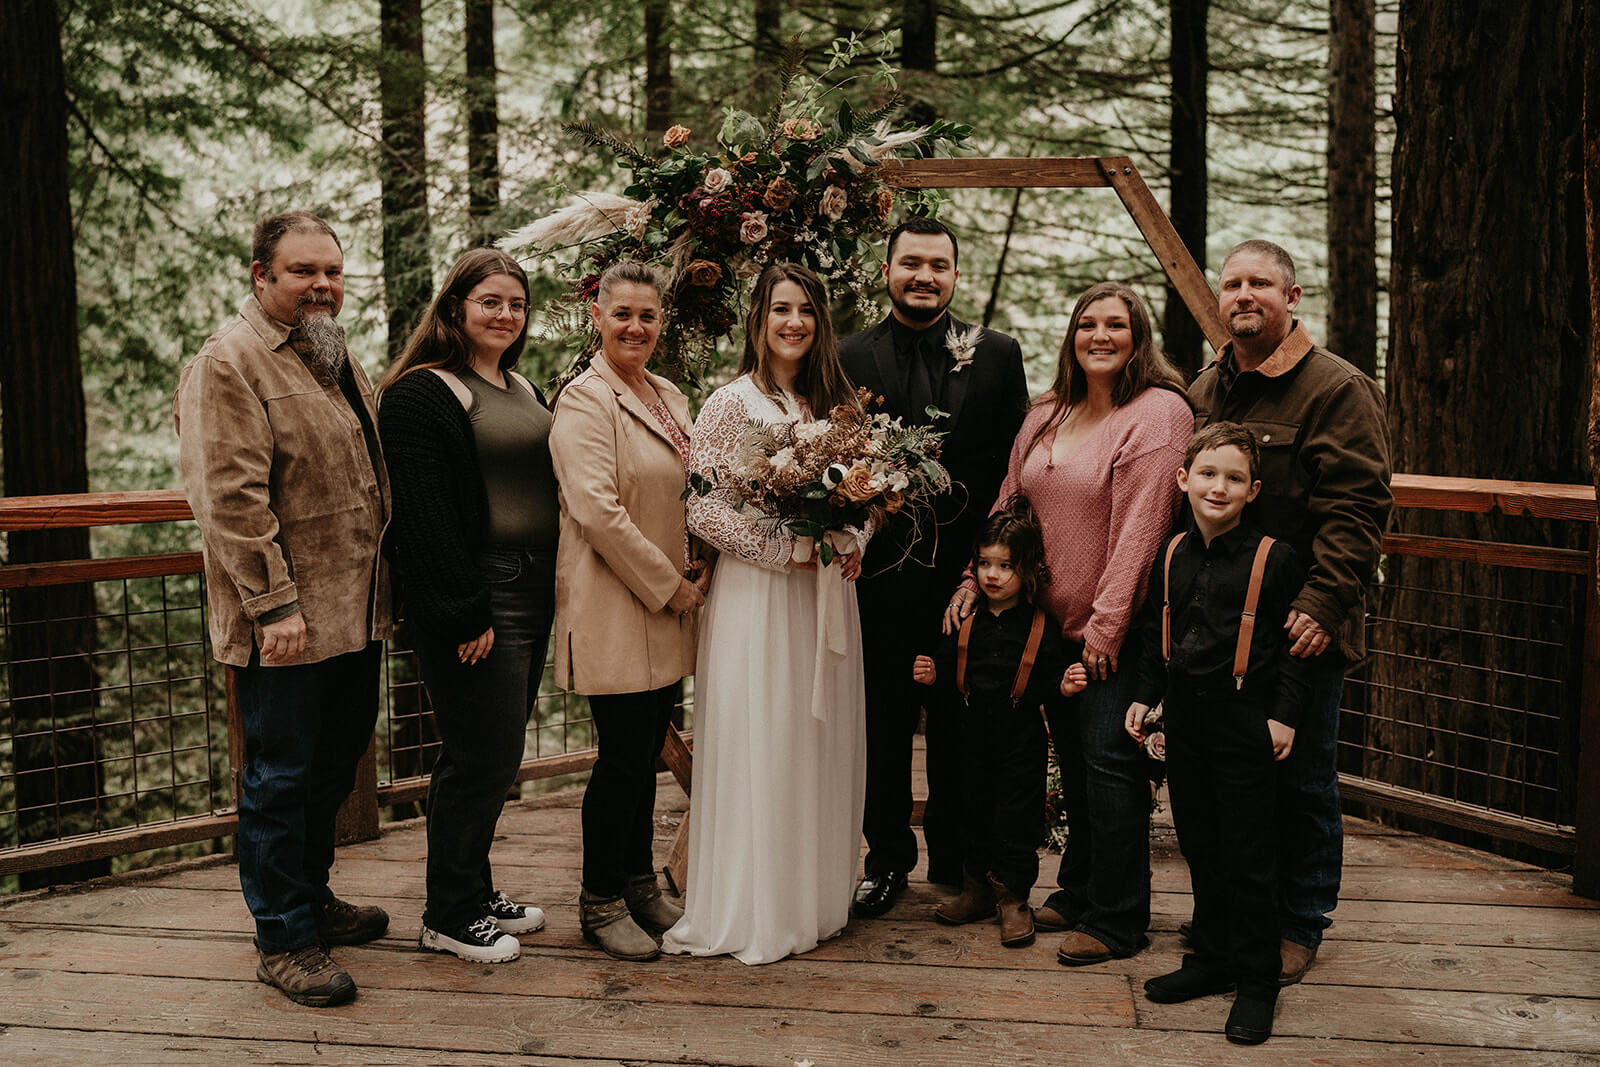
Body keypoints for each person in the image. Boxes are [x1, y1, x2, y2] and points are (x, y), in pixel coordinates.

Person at [174, 212, 392, 1007]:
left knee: (331, 766)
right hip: (287, 625)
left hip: (352, 613)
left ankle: (312, 896)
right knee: (278, 778)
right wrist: (271, 606)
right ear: (260, 275)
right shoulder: (230, 364)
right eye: (303, 271)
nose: (322, 285)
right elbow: (229, 499)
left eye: (331, 271)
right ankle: (284, 937)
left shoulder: (329, 355)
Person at [946, 281, 1192, 966]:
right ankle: (1080, 888)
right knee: (1079, 769)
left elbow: (1142, 531)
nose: (1100, 336)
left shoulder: (1158, 413)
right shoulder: (1049, 411)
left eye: (1117, 324)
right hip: (1040, 630)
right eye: (1088, 323)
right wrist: (973, 580)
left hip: (1114, 630)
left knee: (1112, 765)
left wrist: (1106, 632)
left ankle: (1119, 917)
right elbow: (1007, 501)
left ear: (1138, 336)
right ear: (1072, 335)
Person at [1188, 240, 1391, 984]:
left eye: (1261, 284)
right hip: (1222, 627)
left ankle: (1300, 922)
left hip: (1303, 626)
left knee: (1303, 778)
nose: (1245, 294)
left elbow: (1360, 506)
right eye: (1233, 283)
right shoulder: (1208, 388)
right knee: (1234, 779)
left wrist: (1323, 602)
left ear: (1292, 296)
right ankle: (1246, 912)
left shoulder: (1337, 389)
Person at [661, 263, 869, 965]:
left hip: (824, 600)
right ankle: (755, 905)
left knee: (814, 740)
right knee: (765, 733)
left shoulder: (832, 404)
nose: (794, 322)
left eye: (807, 309)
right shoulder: (729, 402)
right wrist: (786, 551)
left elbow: (866, 495)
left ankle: (811, 897)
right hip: (760, 595)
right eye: (781, 308)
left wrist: (852, 537)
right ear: (759, 318)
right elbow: (702, 504)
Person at [839, 217, 1030, 918]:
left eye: (939, 265)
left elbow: (1017, 466)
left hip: (970, 581)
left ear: (956, 274)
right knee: (882, 726)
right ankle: (886, 858)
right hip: (878, 580)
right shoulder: (847, 353)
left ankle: (959, 856)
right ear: (886, 268)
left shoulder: (998, 353)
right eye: (911, 263)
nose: (925, 276)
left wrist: (996, 570)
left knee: (965, 723)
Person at [377, 248, 554, 964]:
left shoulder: (521, 385)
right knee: (481, 755)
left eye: (516, 303)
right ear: (455, 308)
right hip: (478, 595)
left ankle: (475, 889)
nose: (505, 314)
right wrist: (463, 610)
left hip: (533, 587)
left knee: (494, 751)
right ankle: (447, 913)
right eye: (490, 301)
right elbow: (422, 516)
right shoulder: (424, 393)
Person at [1125, 422, 1310, 1044]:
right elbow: (1158, 631)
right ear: (1183, 480)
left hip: (1243, 720)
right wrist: (1145, 694)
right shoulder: (1172, 552)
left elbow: (1293, 650)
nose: (1218, 487)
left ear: (1253, 490)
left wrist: (1282, 714)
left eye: (1233, 478)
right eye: (1207, 473)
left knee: (1248, 853)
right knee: (1200, 843)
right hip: (1185, 716)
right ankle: (1210, 959)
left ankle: (1256, 979)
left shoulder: (1273, 558)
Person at [549, 260, 706, 962]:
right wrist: (669, 582)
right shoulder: (585, 400)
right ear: (598, 318)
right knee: (620, 759)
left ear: (661, 322)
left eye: (648, 315)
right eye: (623, 315)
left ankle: (641, 882)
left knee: (646, 751)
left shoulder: (669, 393)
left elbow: (693, 488)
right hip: (620, 601)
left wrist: (699, 557)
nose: (635, 326)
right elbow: (597, 509)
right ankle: (600, 899)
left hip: (671, 603)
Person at [912, 500, 1089, 948]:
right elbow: (950, 676)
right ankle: (976, 890)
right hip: (970, 735)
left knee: (1015, 817)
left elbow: (1047, 681)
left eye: (1005, 565)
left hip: (1019, 738)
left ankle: (1013, 898)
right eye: (984, 564)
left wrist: (1063, 688)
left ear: (1028, 570)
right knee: (971, 810)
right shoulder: (965, 622)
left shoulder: (1040, 625)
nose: (992, 575)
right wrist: (934, 677)